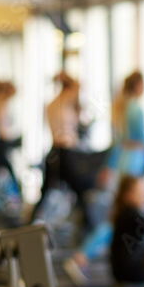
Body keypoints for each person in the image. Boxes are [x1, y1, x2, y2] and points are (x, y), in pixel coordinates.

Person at [64, 71, 144, 285]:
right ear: (138, 86)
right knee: (134, 217)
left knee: (126, 217)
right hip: (133, 167)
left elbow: (119, 144)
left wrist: (110, 167)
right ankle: (83, 255)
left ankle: (87, 255)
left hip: (125, 164)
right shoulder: (135, 108)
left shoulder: (122, 107)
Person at [31, 72, 96, 231]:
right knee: (81, 190)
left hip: (54, 152)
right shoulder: (66, 99)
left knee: (46, 192)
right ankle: (90, 227)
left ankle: (29, 222)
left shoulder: (52, 104)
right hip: (66, 153)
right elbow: (79, 85)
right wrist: (67, 77)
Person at [109, 174, 144, 284]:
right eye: (140, 192)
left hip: (123, 272)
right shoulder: (130, 215)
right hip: (130, 273)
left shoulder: (124, 214)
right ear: (128, 195)